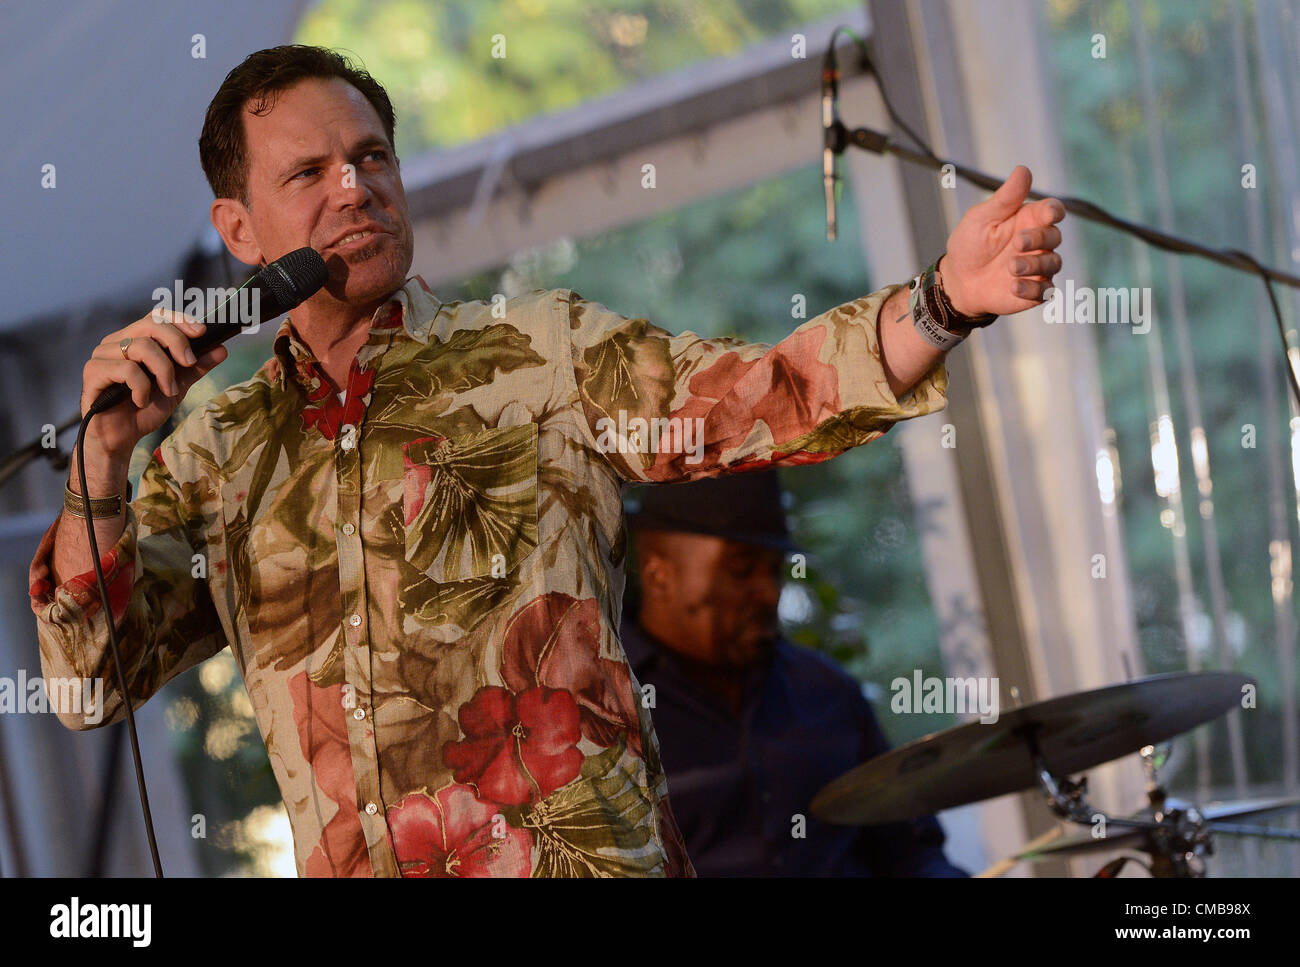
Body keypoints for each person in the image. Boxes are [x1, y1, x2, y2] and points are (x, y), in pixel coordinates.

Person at [28, 44, 1064, 877]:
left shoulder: (537, 351)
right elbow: (87, 687)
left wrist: (943, 300)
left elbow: (768, 399)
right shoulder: (215, 450)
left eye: (373, 156)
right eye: (310, 172)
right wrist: (106, 462)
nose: (356, 186)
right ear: (239, 231)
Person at [622, 471, 966, 877]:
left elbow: (910, 848)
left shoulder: (826, 690)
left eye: (774, 571)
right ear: (659, 574)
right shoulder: (605, 710)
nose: (769, 593)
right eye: (742, 569)